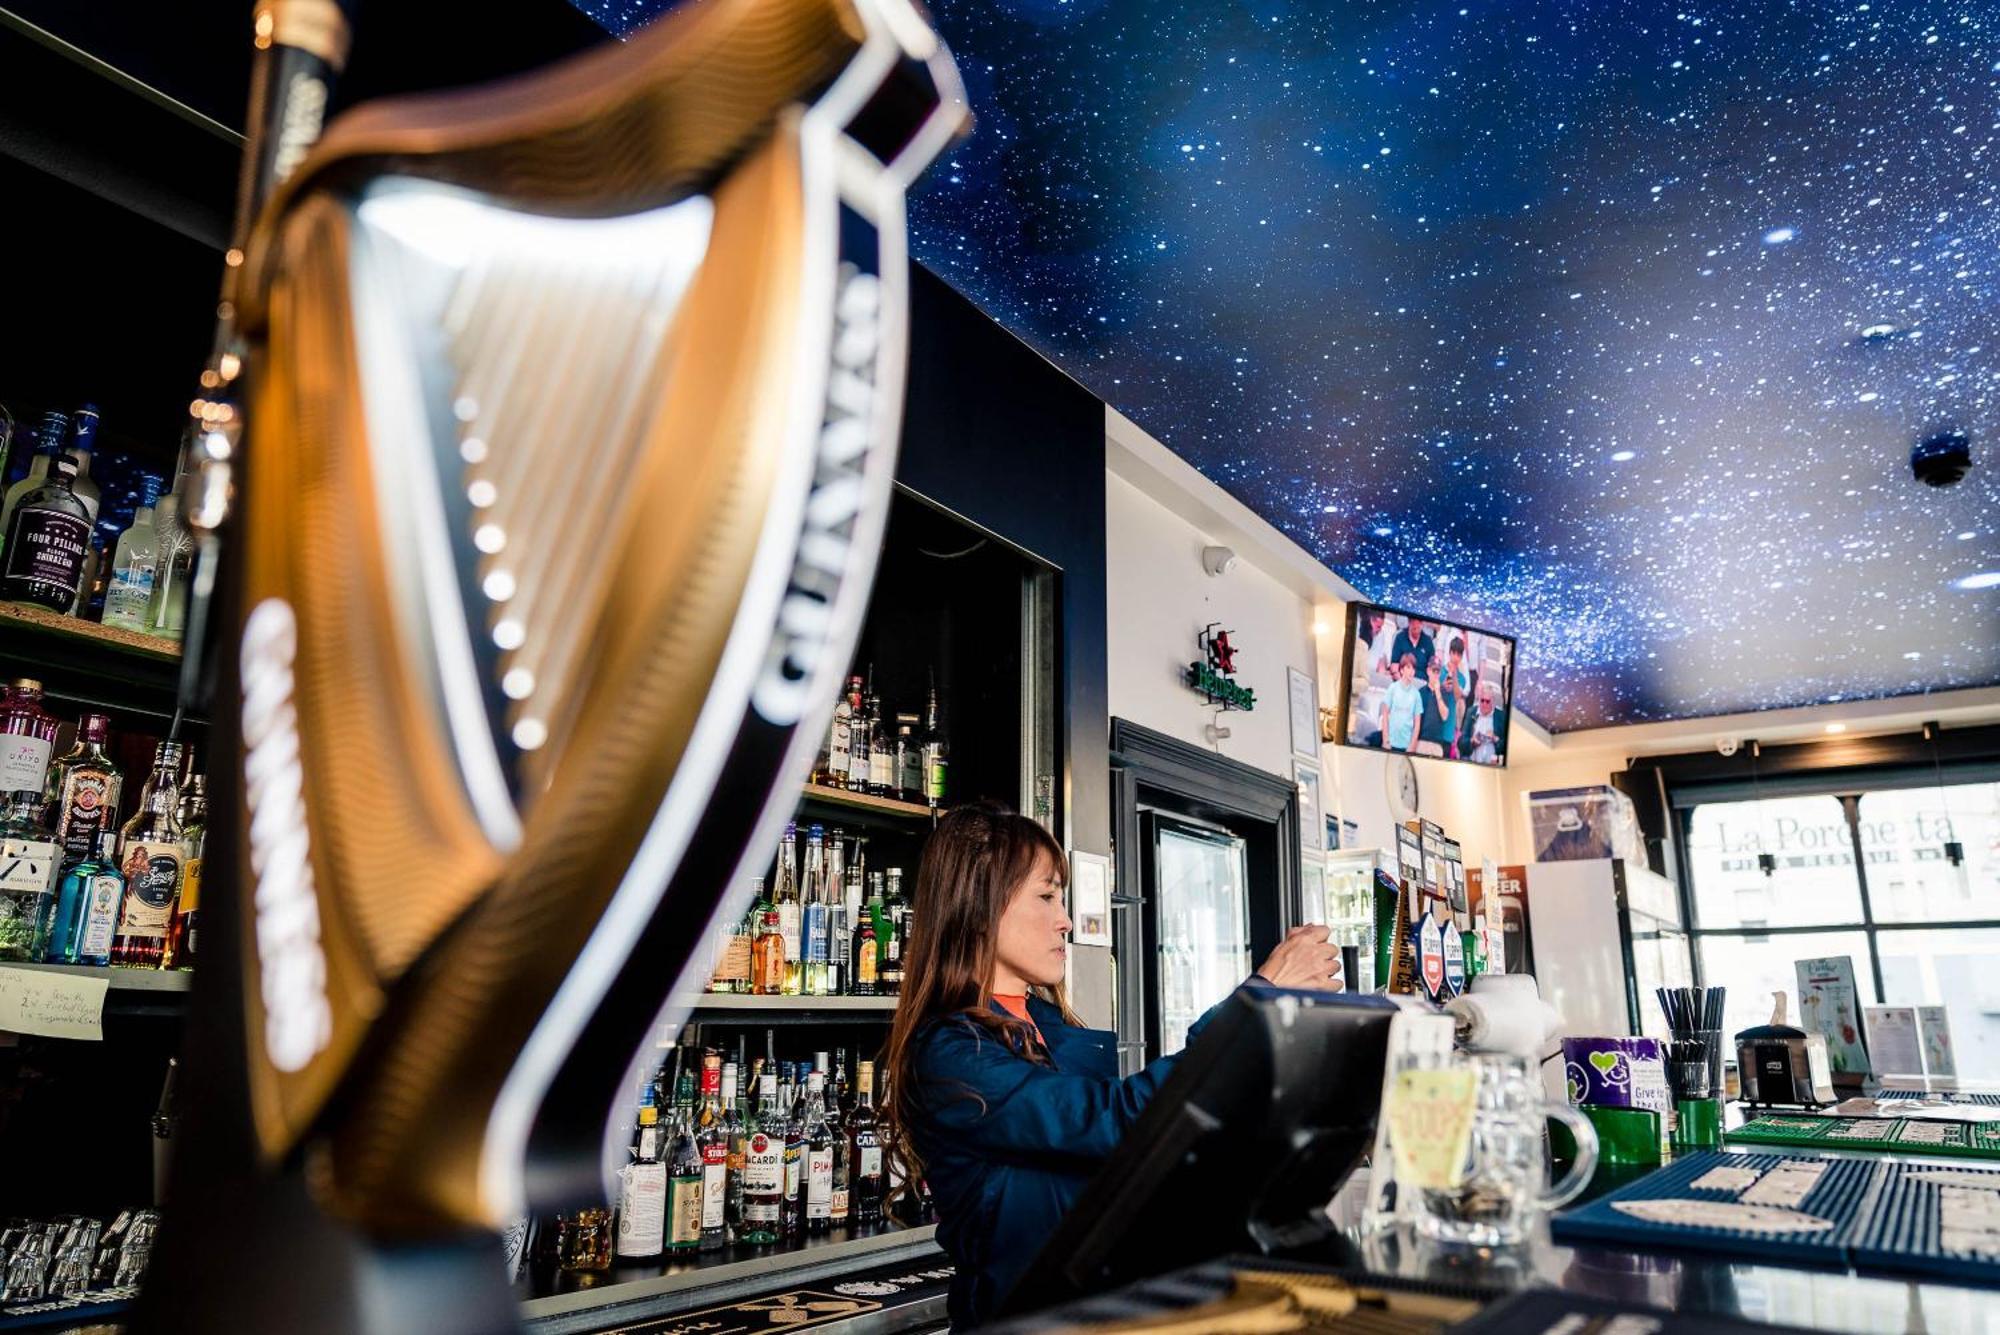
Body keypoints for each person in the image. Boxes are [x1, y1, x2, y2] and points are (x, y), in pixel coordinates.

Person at [880, 803, 1343, 1328]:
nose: (1065, 920)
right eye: (1047, 896)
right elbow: (1117, 1120)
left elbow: (1129, 1162)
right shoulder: (951, 1053)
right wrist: (1257, 1001)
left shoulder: (1050, 1027)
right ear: (980, 905)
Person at [1380, 655, 1423, 753]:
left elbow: (1417, 723)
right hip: (1390, 744)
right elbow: (1385, 714)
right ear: (1402, 670)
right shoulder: (1393, 688)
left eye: (1413, 668)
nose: (1412, 671)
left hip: (1406, 747)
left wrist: (1412, 746)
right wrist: (1386, 740)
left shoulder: (1416, 694)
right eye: (1408, 667)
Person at [1388, 616, 1433, 681]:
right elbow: (1394, 665)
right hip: (1402, 680)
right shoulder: (1400, 637)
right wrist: (1401, 682)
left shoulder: (1428, 641)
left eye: (1418, 626)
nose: (1416, 627)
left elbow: (1432, 668)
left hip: (1421, 681)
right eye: (1414, 627)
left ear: (1422, 624)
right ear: (1409, 623)